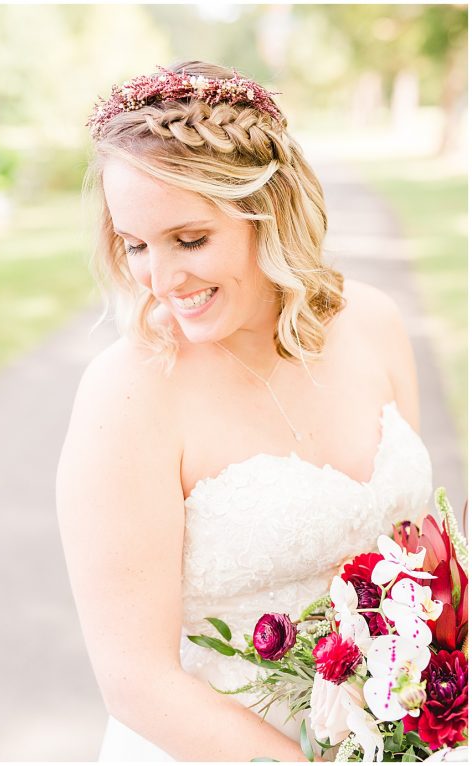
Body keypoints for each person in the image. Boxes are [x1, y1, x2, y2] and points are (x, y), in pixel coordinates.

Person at [56, 62, 432, 761]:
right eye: (135, 245)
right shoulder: (128, 395)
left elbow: (422, 554)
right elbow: (137, 679)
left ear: (271, 209)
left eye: (190, 240)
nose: (163, 281)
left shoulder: (374, 321)